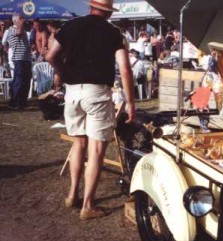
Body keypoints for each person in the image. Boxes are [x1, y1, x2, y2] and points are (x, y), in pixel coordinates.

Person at [46, 0, 136, 220]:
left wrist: (62, 72)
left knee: (79, 143)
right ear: (107, 13)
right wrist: (131, 102)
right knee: (96, 150)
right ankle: (88, 205)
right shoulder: (113, 32)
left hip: (73, 92)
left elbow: (50, 56)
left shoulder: (71, 25)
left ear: (90, 8)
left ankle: (72, 195)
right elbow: (125, 69)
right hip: (96, 93)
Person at [3, 13, 32, 109]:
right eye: (20, 18)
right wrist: (22, 23)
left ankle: (22, 101)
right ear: (15, 20)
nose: (23, 19)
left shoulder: (23, 29)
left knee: (26, 81)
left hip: (26, 58)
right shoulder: (11, 29)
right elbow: (18, 33)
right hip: (18, 58)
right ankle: (14, 101)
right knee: (18, 81)